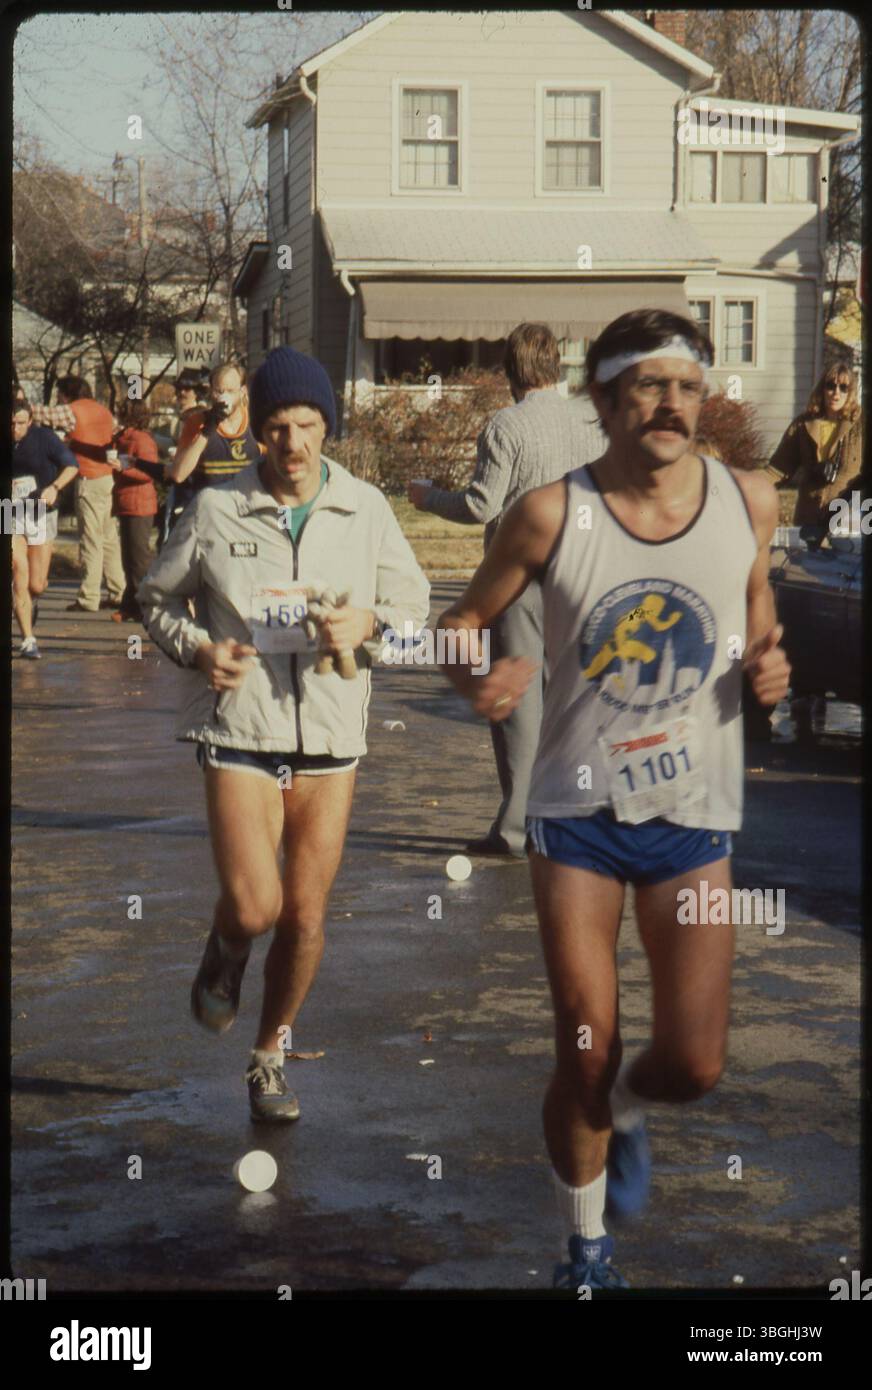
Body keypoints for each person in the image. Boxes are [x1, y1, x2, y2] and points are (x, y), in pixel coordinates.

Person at [435, 308, 790, 1289]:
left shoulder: (746, 499)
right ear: (602, 400)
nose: (669, 403)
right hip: (574, 814)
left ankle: (629, 1110)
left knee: (692, 1063)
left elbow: (755, 605)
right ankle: (582, 1252)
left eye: (685, 384)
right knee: (584, 1046)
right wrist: (477, 680)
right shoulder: (552, 513)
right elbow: (460, 621)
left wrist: (767, 660)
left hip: (692, 815)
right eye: (645, 385)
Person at [138, 346, 430, 1123]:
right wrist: (199, 650)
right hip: (241, 730)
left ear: (326, 426)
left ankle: (269, 1054)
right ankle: (228, 947)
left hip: (332, 739)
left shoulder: (364, 509)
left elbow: (414, 611)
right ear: (255, 432)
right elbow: (154, 597)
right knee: (256, 905)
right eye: (276, 427)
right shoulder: (216, 509)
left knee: (304, 914)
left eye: (307, 424)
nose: (293, 444)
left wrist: (370, 623)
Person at [408, 323, 605, 860]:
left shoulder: (506, 426)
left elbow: (480, 506)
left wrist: (427, 498)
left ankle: (516, 827)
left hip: (517, 576)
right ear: (557, 364)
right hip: (581, 571)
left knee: (518, 705)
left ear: (511, 371)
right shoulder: (589, 423)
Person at [30, 375, 125, 613]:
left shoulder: (73, 411)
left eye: (60, 394)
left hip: (89, 479)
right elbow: (114, 434)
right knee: (109, 538)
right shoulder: (104, 411)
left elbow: (43, 414)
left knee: (90, 539)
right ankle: (118, 591)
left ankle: (88, 596)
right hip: (107, 479)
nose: (59, 399)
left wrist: (19, 403)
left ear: (66, 393)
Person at [767, 362, 864, 548]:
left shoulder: (860, 426)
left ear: (851, 392)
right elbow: (777, 469)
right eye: (831, 385)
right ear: (822, 388)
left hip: (847, 520)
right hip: (808, 518)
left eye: (843, 387)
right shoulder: (803, 425)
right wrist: (745, 486)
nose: (836, 392)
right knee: (803, 572)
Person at [11, 399, 79, 658]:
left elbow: (72, 465)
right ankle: (28, 639)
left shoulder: (44, 438)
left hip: (40, 510)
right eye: (10, 423)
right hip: (9, 509)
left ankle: (30, 602)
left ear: (29, 422)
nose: (14, 428)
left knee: (36, 585)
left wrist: (54, 488)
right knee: (18, 570)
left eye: (19, 423)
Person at [166, 362, 261, 500]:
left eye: (230, 391)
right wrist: (207, 429)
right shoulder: (197, 422)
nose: (224, 396)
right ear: (211, 392)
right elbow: (178, 474)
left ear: (243, 392)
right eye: (219, 391)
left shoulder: (256, 423)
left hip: (247, 512)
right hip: (211, 513)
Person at [109, 399, 162, 624]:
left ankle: (145, 604)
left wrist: (123, 469)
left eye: (122, 411)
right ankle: (130, 604)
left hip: (139, 503)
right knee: (128, 557)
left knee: (138, 557)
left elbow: (149, 473)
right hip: (127, 502)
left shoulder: (141, 440)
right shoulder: (122, 438)